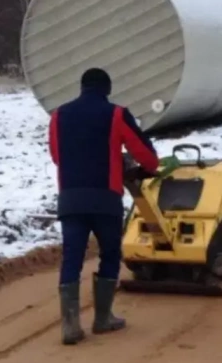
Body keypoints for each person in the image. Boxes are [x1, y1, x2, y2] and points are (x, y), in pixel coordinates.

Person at [48, 68, 160, 345]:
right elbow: (147, 157)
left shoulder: (58, 116)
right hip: (104, 200)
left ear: (82, 87)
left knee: (72, 257)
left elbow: (56, 156)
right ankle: (103, 318)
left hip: (71, 199)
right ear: (107, 89)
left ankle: (71, 326)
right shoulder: (117, 114)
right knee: (110, 253)